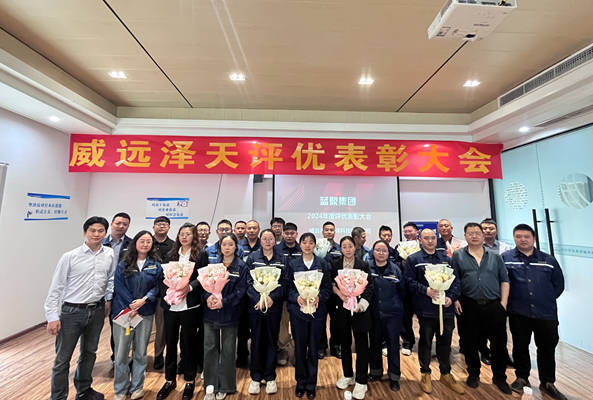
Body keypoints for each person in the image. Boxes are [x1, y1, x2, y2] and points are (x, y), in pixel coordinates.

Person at [45, 216, 115, 400]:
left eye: (100, 231)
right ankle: (58, 397)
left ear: (105, 233)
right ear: (85, 232)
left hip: (97, 310)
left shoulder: (109, 254)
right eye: (92, 230)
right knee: (63, 359)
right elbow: (56, 287)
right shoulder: (70, 256)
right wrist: (52, 316)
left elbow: (110, 279)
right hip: (72, 312)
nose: (96, 234)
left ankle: (84, 390)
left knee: (89, 353)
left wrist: (108, 300)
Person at [503, 224, 567, 400]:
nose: (523, 239)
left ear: (534, 238)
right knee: (520, 346)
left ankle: (547, 382)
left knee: (547, 348)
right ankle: (522, 378)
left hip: (545, 314)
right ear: (514, 238)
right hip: (518, 312)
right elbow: (502, 282)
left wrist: (544, 299)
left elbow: (559, 285)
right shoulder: (506, 258)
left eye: (526, 236)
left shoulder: (548, 260)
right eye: (518, 236)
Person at [452, 222, 511, 394]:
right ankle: (473, 373)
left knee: (499, 344)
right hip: (468, 304)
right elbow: (454, 279)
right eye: (470, 233)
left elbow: (504, 280)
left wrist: (503, 304)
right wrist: (456, 299)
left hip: (494, 305)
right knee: (469, 342)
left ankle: (499, 377)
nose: (474, 236)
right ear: (465, 236)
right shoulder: (458, 255)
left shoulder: (495, 256)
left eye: (477, 233)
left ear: (483, 235)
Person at [405, 229, 464, 395]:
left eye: (432, 238)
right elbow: (409, 281)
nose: (430, 241)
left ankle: (446, 373)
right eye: (426, 238)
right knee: (425, 342)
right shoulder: (413, 259)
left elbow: (456, 282)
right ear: (420, 240)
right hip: (425, 310)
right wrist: (426, 290)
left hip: (446, 309)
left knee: (445, 342)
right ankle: (425, 373)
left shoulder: (447, 260)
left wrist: (451, 298)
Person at [157, 223, 208, 400]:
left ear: (194, 237)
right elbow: (162, 278)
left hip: (190, 306)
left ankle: (189, 380)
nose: (184, 237)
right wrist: (168, 293)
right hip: (171, 306)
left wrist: (189, 288)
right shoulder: (170, 254)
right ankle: (169, 380)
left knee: (188, 344)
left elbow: (202, 277)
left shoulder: (200, 254)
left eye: (188, 234)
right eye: (181, 234)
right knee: (170, 343)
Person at [112, 231, 163, 400]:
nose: (145, 244)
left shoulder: (155, 265)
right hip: (124, 313)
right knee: (121, 353)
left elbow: (157, 286)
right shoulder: (124, 263)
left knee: (140, 352)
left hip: (145, 312)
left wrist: (144, 300)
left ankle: (137, 387)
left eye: (148, 241)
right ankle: (120, 389)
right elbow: (119, 286)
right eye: (142, 241)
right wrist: (131, 305)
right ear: (135, 243)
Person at [203, 233, 248, 400]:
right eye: (224, 245)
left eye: (230, 244)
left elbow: (241, 291)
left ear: (236, 247)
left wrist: (224, 302)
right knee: (210, 349)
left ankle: (226, 386)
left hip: (231, 313)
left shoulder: (241, 266)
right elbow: (204, 287)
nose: (227, 247)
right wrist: (208, 297)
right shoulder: (213, 265)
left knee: (228, 350)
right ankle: (210, 385)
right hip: (211, 312)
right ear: (220, 247)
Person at [287, 233, 332, 399]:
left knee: (313, 348)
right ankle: (300, 382)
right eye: (304, 242)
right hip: (297, 312)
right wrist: (296, 298)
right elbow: (287, 287)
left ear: (315, 245)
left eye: (311, 242)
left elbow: (327, 288)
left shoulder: (323, 264)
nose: (307, 245)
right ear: (300, 244)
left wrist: (319, 297)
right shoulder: (292, 264)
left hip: (317, 312)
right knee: (299, 348)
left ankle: (311, 384)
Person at [246, 229, 287, 395]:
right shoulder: (252, 258)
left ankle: (270, 377)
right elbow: (248, 282)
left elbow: (285, 282)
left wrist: (272, 298)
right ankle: (255, 377)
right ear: (260, 240)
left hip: (274, 307)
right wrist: (258, 298)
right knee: (256, 340)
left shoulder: (282, 259)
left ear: (275, 241)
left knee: (271, 340)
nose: (268, 241)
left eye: (271, 238)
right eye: (265, 238)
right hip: (256, 306)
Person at [333, 236, 374, 400]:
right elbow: (331, 284)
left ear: (355, 248)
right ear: (341, 248)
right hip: (342, 309)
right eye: (344, 246)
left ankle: (362, 380)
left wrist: (361, 304)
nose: (347, 249)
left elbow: (369, 286)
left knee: (362, 344)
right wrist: (341, 294)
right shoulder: (335, 264)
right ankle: (348, 374)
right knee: (344, 344)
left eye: (350, 246)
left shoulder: (363, 265)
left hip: (359, 310)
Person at [368, 240, 405, 392]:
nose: (381, 253)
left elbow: (402, 291)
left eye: (384, 250)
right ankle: (376, 372)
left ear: (388, 253)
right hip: (373, 313)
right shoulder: (367, 268)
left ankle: (394, 377)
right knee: (375, 344)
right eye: (378, 250)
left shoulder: (395, 269)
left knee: (393, 345)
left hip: (393, 314)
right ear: (373, 252)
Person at [478, 218, 513, 366]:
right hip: (481, 292)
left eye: (491, 228)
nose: (488, 231)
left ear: (496, 230)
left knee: (500, 328)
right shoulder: (475, 247)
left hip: (500, 292)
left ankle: (501, 354)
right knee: (482, 326)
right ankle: (484, 352)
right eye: (484, 228)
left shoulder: (505, 248)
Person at [103, 212, 132, 363]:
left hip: (122, 292)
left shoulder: (132, 244)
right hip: (101, 291)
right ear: (112, 223)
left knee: (121, 325)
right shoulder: (101, 242)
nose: (121, 226)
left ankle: (119, 357)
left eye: (125, 224)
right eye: (118, 223)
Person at [274, 222, 300, 365]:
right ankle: (283, 349)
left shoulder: (302, 249)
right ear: (283, 234)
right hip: (282, 293)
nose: (289, 236)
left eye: (292, 233)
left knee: (297, 323)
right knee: (282, 324)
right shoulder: (276, 249)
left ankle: (297, 350)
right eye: (287, 233)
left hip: (299, 294)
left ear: (296, 234)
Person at [237, 220, 262, 367]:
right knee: (242, 327)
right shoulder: (238, 245)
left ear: (258, 229)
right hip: (242, 293)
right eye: (249, 228)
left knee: (258, 327)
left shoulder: (263, 245)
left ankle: (257, 357)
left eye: (254, 228)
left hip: (259, 294)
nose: (251, 230)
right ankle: (241, 355)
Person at [152, 216, 174, 370]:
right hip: (144, 293)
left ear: (169, 227)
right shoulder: (146, 242)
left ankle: (158, 355)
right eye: (158, 224)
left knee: (161, 328)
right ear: (153, 227)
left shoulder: (173, 246)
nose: (161, 226)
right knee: (139, 327)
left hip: (163, 293)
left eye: (164, 224)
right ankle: (136, 355)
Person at [320, 221, 342, 359]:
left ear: (334, 232)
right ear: (322, 232)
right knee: (320, 319)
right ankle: (321, 346)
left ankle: (336, 346)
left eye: (331, 230)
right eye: (326, 230)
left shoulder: (339, 248)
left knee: (336, 319)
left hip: (336, 289)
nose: (329, 232)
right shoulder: (317, 247)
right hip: (321, 289)